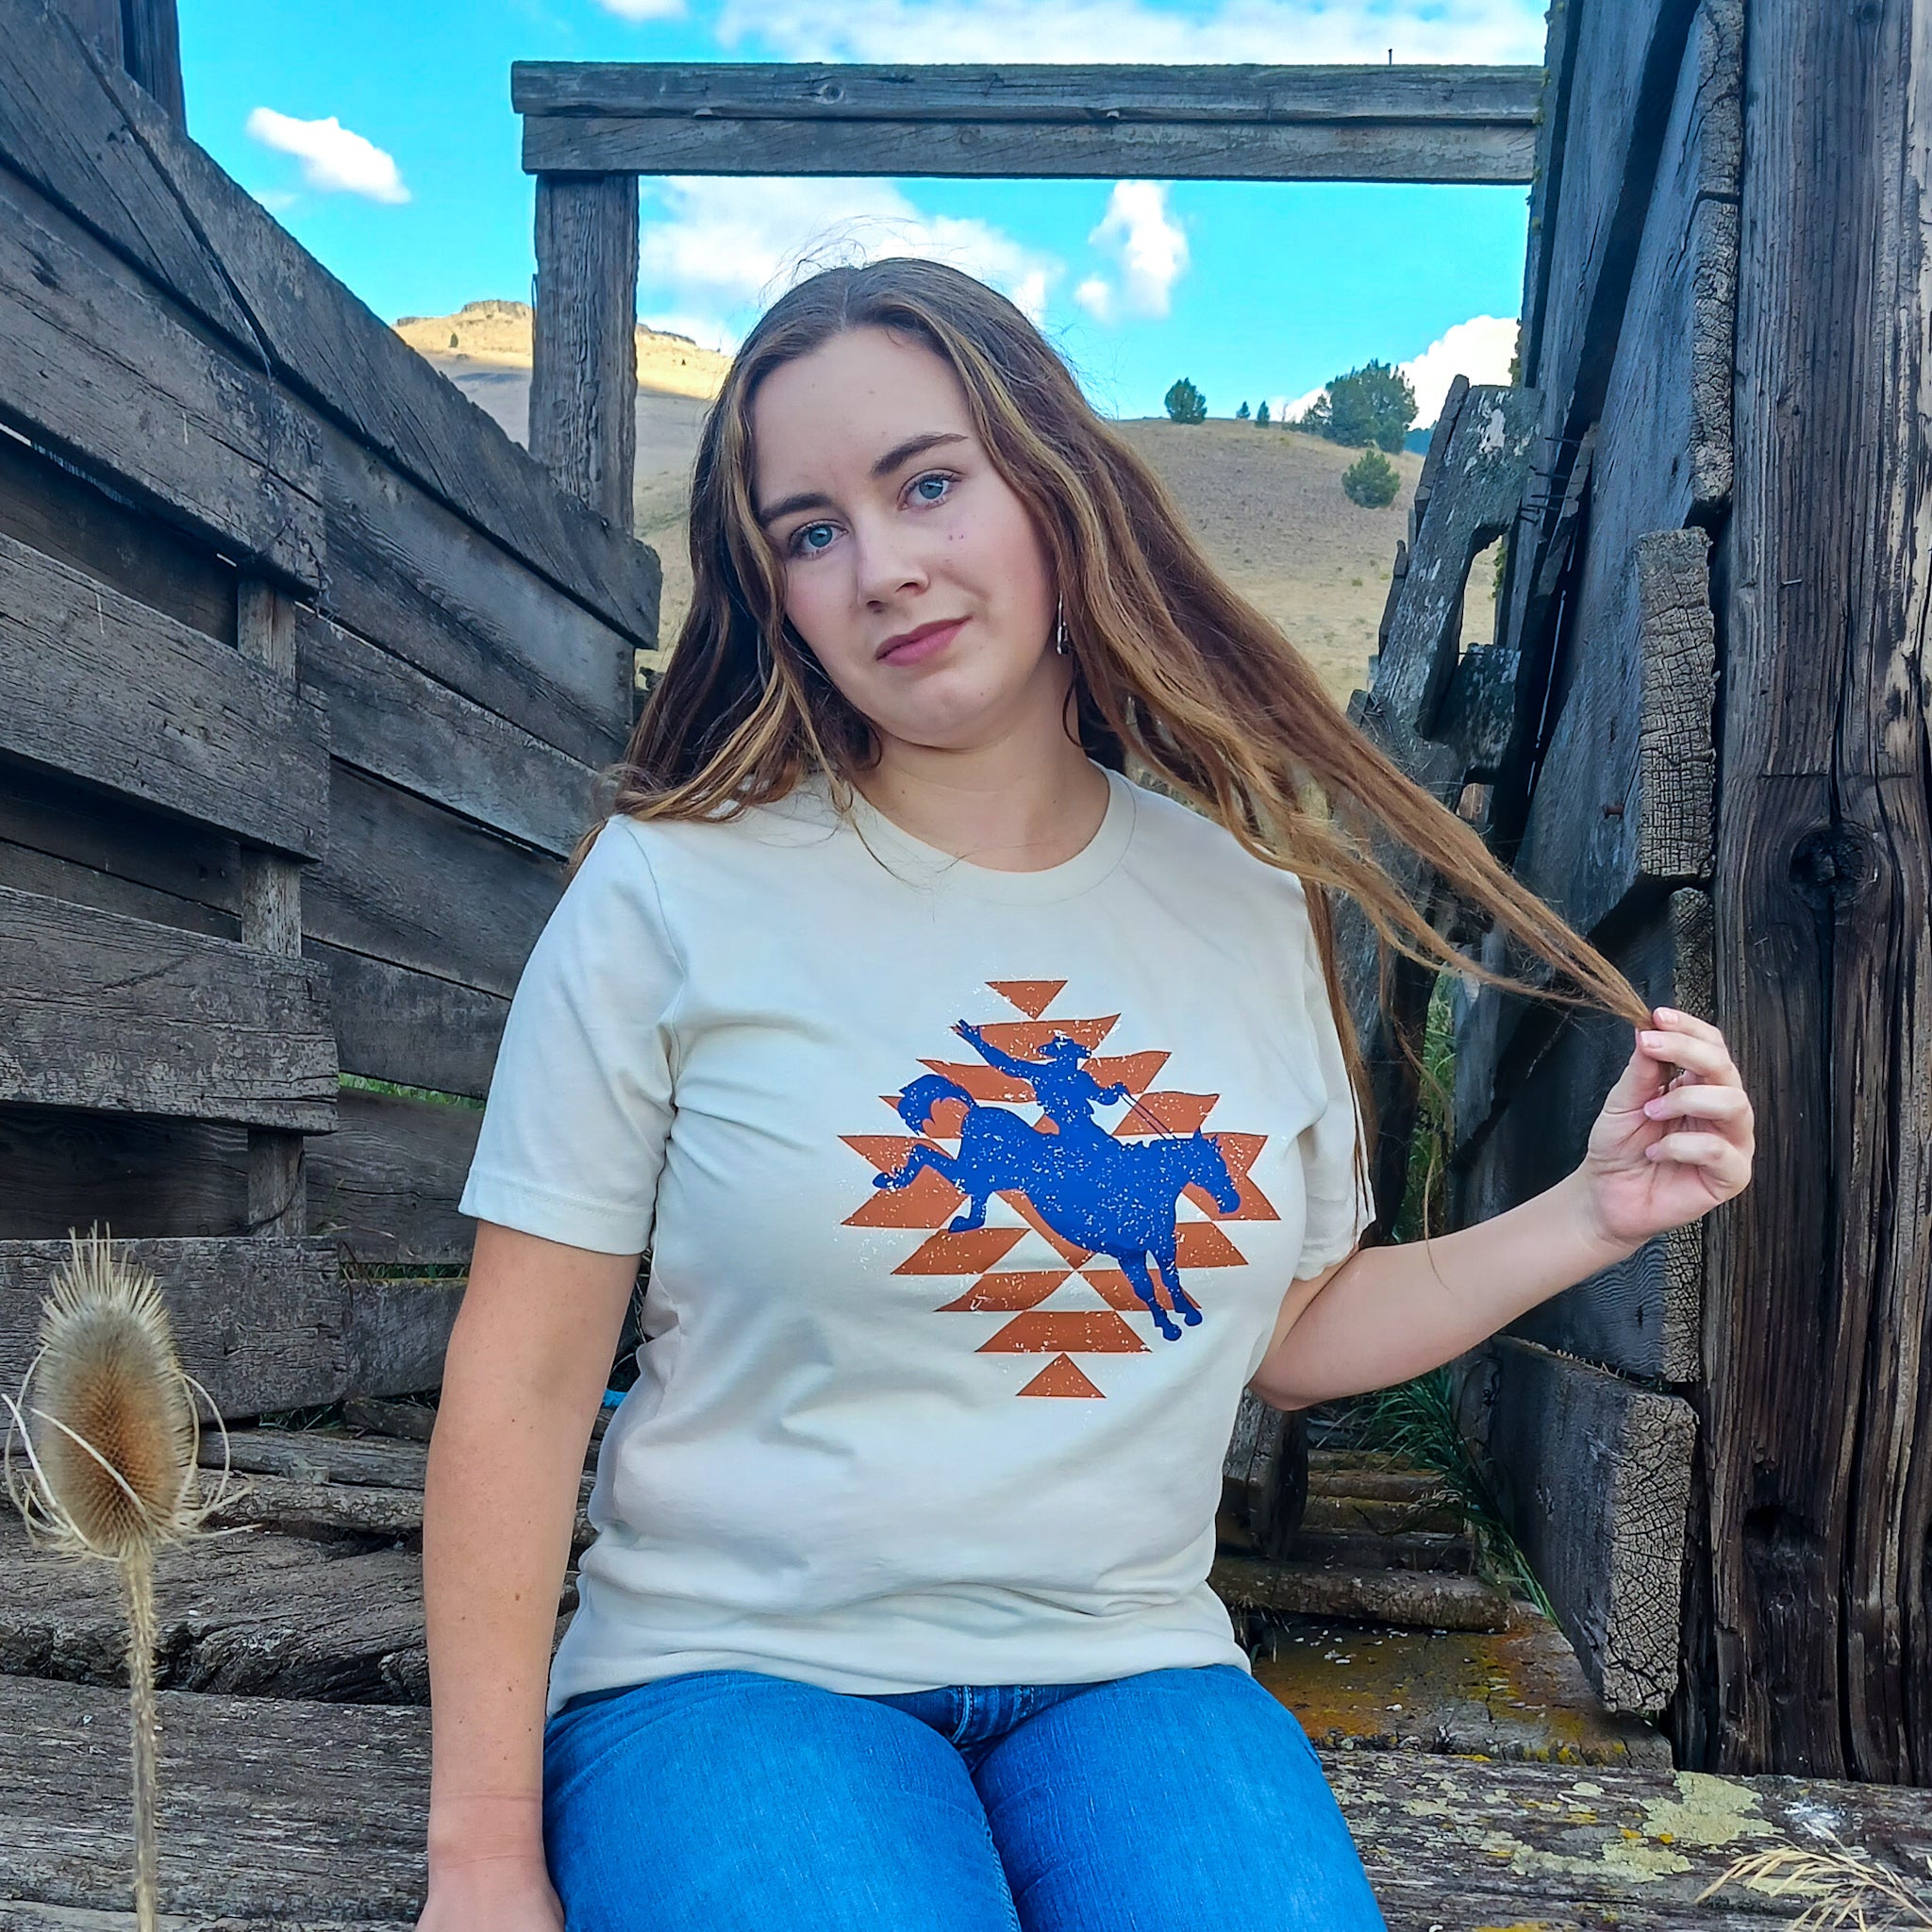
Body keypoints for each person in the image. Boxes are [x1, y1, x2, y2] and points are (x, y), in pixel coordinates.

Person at [416, 258, 1755, 1932]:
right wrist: (479, 1859)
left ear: (1051, 484)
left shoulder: (1247, 908)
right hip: (732, 1670)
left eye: (927, 483)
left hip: (1131, 1671)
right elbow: (526, 1381)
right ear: (773, 593)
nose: (883, 565)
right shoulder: (669, 893)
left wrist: (1589, 1214)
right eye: (808, 532)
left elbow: (1289, 1325)